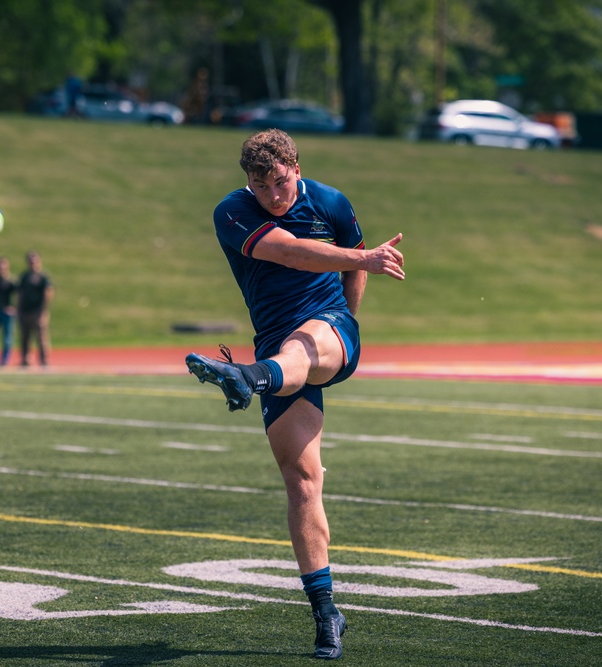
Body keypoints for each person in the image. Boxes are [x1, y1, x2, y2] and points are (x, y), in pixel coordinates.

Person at [185, 129, 405, 660]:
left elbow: (356, 267)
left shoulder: (331, 202)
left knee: (305, 344)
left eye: (280, 183)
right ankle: (327, 611)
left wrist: (348, 319)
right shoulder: (232, 211)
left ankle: (248, 379)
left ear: (295, 168)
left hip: (328, 331)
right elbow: (290, 253)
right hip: (274, 348)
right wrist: (359, 258)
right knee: (301, 482)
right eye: (260, 187)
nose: (272, 196)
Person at [16, 250, 53, 367]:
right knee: (25, 337)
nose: (32, 263)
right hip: (25, 311)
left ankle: (44, 360)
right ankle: (25, 359)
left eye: (34, 260)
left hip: (38, 311)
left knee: (41, 337)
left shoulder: (43, 277)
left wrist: (43, 310)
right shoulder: (24, 276)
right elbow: (20, 294)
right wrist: (19, 309)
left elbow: (48, 293)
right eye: (30, 261)